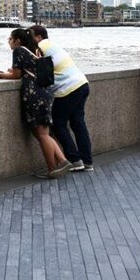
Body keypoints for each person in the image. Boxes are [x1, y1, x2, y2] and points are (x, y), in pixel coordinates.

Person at [0, 28, 70, 178]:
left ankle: (52, 168)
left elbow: (16, 75)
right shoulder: (35, 49)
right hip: (45, 92)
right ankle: (62, 161)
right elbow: (28, 69)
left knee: (41, 134)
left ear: (17, 40)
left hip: (35, 95)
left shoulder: (19, 50)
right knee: (43, 133)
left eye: (10, 38)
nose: (8, 41)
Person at [28, 25, 94, 172]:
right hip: (82, 84)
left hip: (68, 88)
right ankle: (87, 162)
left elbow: (33, 65)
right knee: (78, 124)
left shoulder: (41, 45)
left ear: (38, 37)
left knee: (58, 124)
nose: (29, 40)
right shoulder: (54, 45)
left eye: (30, 36)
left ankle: (75, 160)